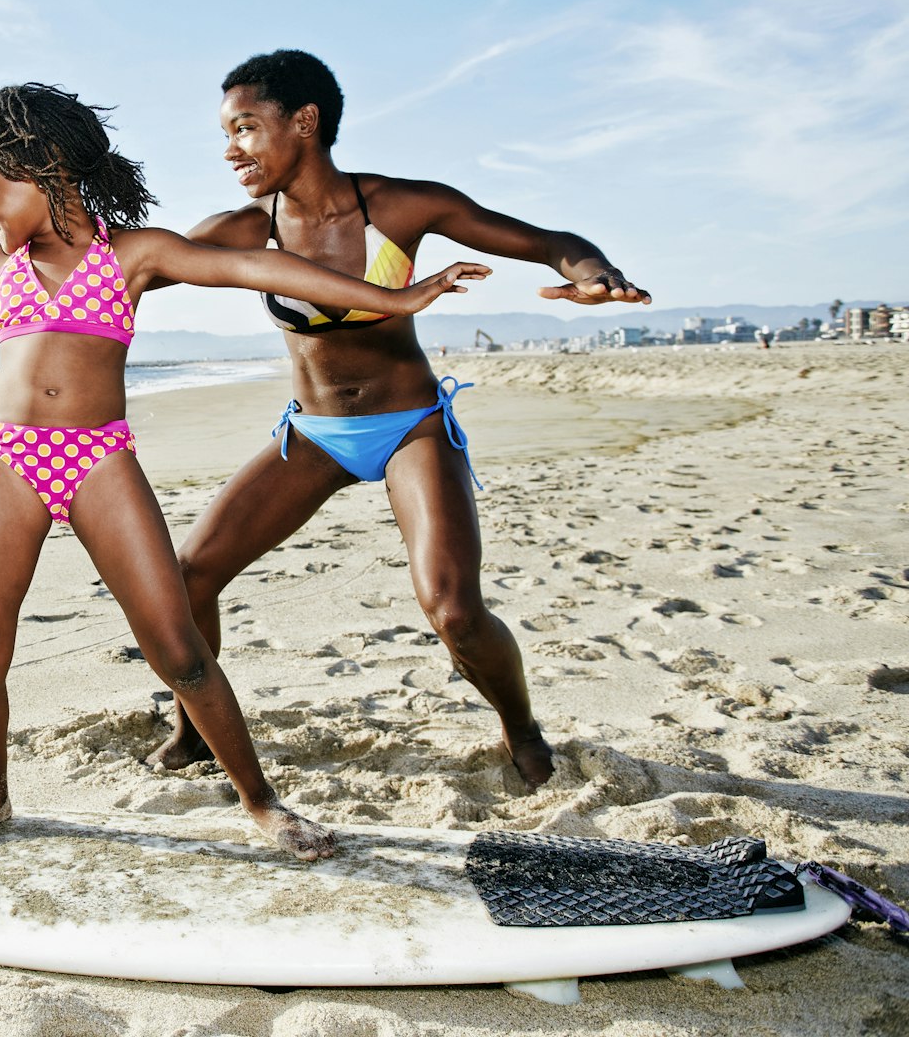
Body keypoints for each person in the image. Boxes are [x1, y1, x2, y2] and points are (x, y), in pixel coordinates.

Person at [0, 82, 491, 854]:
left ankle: (261, 802)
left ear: (42, 168)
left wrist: (400, 298)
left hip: (99, 459)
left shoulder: (134, 255)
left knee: (178, 650)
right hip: (12, 459)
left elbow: (260, 270)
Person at [151, 50, 650, 789]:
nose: (231, 151)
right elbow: (129, 269)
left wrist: (589, 272)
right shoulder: (245, 227)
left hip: (410, 425)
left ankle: (522, 726)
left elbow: (547, 243)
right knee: (189, 577)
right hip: (315, 434)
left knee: (454, 610)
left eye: (246, 128)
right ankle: (193, 729)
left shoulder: (401, 206)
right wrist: (1, 296)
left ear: (306, 122)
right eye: (227, 134)